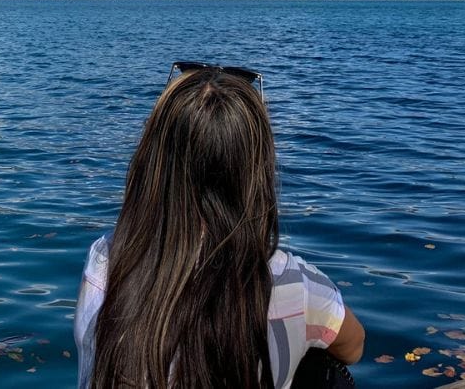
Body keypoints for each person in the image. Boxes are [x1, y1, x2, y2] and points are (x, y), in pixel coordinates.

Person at [74, 62, 365, 388]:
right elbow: (354, 347)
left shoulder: (105, 262)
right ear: (255, 172)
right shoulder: (291, 283)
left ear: (153, 163)